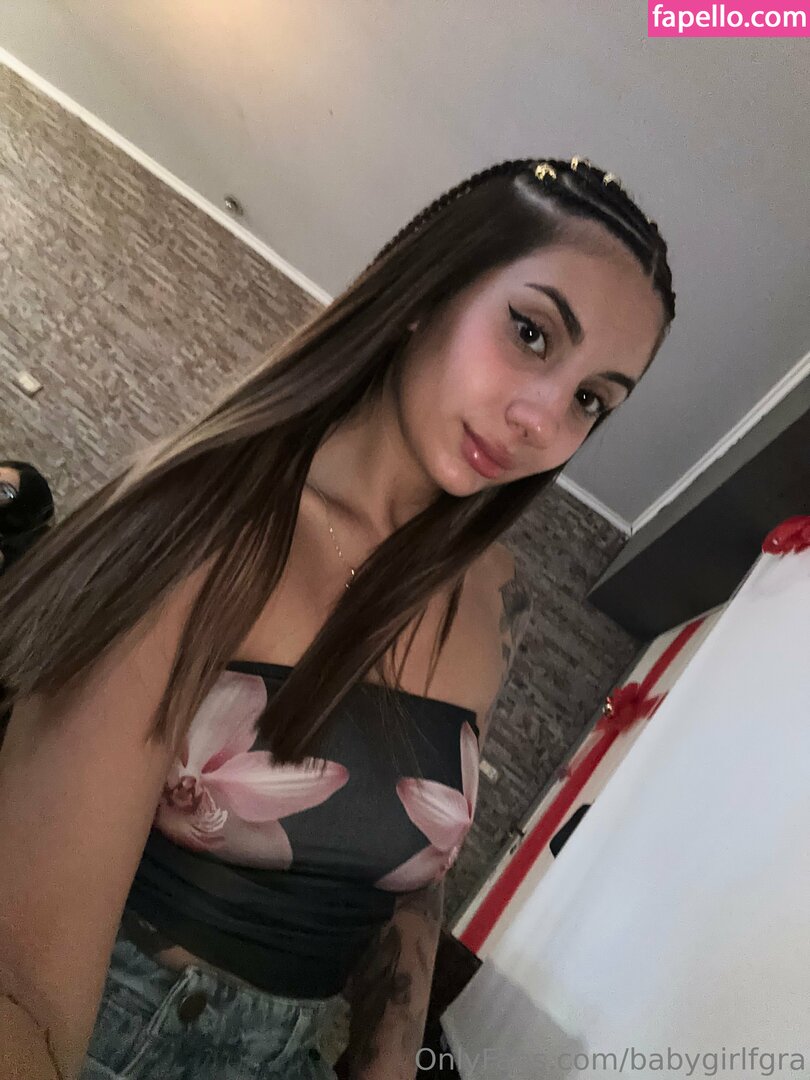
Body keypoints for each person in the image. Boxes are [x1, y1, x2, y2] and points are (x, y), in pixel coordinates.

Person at [0, 156, 675, 1080]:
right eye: (530, 332)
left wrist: (387, 1061)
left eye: (592, 399)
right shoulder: (201, 526)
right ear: (426, 293)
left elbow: (416, 861)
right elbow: (25, 992)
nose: (544, 420)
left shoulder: (496, 595)